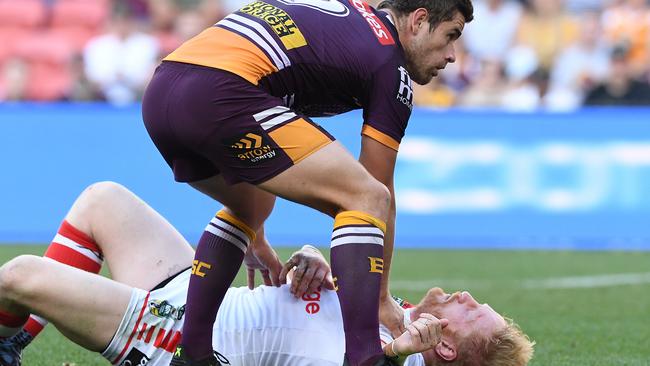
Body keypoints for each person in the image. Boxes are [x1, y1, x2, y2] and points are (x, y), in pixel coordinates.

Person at [141, 1, 474, 365]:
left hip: (162, 92)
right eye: (450, 36)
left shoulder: (354, 17)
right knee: (366, 197)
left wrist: (254, 229)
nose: (453, 55)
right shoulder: (391, 67)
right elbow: (378, 189)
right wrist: (380, 300)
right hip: (220, 92)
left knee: (252, 205)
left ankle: (194, 355)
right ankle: (364, 356)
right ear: (419, 20)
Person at [0, 182, 534, 366]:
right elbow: (305, 315)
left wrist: (394, 354)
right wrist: (313, 262)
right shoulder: (388, 312)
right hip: (194, 293)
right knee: (104, 200)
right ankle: (12, 343)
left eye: (471, 310)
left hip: (170, 336)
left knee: (20, 275)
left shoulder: (386, 354)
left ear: (445, 347)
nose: (465, 295)